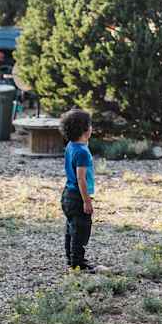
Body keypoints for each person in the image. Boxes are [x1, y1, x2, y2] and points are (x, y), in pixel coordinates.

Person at [60, 108, 96, 271]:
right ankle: (77, 263)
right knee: (81, 230)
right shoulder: (82, 153)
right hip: (77, 196)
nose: (92, 128)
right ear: (85, 130)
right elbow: (81, 178)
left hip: (67, 194)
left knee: (71, 228)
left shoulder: (71, 146)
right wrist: (87, 201)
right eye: (90, 125)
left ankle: (71, 258)